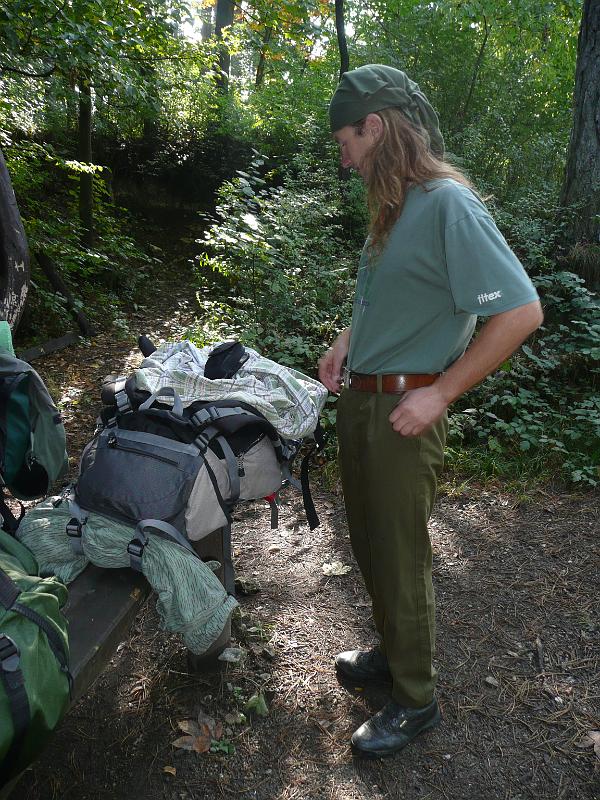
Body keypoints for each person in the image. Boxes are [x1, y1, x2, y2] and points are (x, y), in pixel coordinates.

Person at [318, 64, 543, 759]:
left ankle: (416, 700)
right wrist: (348, 338)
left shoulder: (447, 204)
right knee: (370, 544)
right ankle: (393, 654)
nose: (343, 157)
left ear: (375, 127)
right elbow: (396, 301)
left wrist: (441, 391)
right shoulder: (393, 209)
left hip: (403, 412)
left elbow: (521, 312)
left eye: (346, 141)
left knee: (401, 555)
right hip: (363, 402)